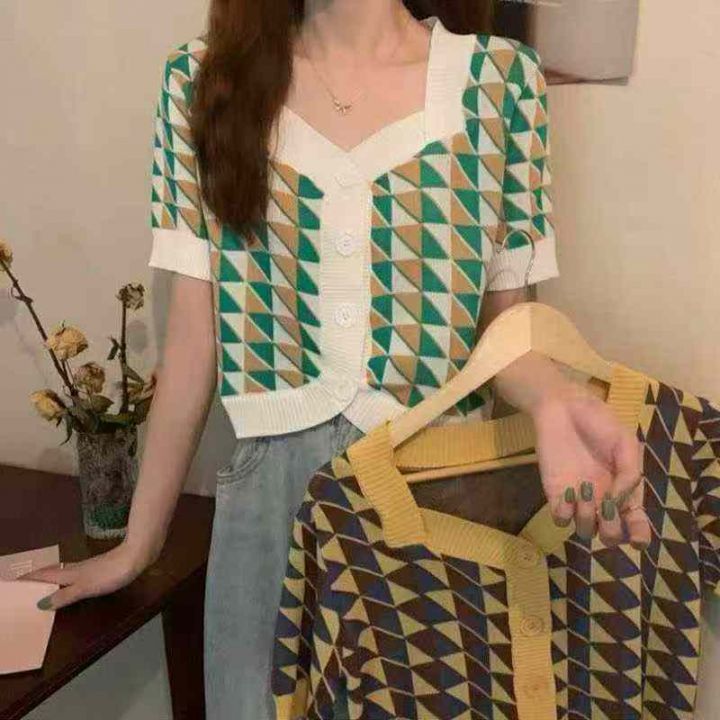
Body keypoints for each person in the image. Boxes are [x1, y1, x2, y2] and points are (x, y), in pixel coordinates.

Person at [19, 1, 651, 718]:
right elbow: (194, 344)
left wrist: (556, 397)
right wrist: (139, 544)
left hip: (435, 509)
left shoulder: (500, 82)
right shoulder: (203, 81)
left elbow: (508, 329)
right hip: (268, 516)